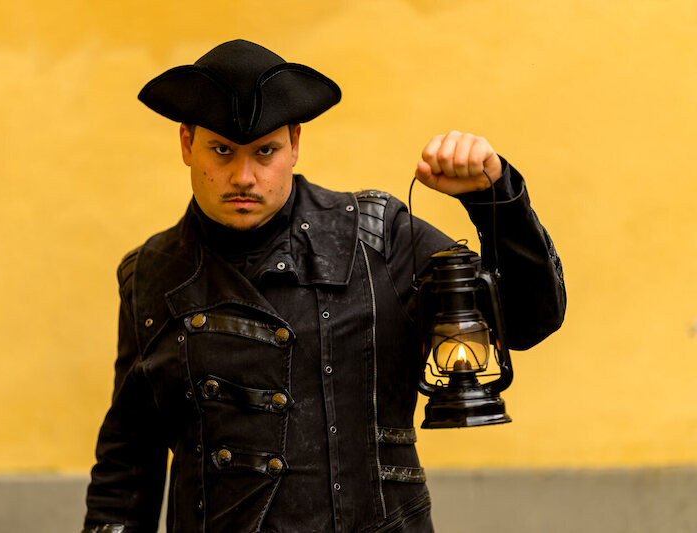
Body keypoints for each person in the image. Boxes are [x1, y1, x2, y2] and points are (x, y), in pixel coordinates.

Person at [83, 39, 565, 533]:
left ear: (294, 143)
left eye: (265, 151)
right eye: (222, 151)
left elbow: (529, 320)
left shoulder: (377, 239)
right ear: (187, 143)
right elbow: (128, 467)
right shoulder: (152, 273)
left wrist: (494, 197)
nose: (244, 177)